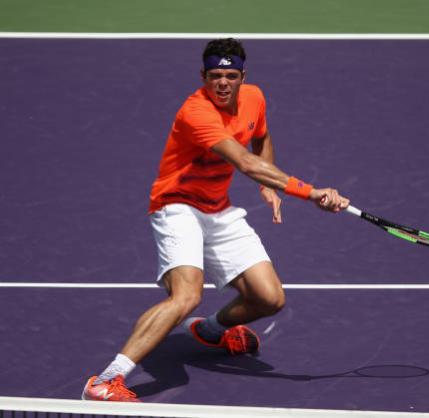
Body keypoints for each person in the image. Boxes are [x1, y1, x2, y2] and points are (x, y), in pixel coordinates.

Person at [82, 38, 349, 402]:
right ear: (203, 76)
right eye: (214, 76)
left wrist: (268, 185)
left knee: (269, 299)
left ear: (243, 76)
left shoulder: (254, 97)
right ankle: (105, 380)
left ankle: (208, 332)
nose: (222, 83)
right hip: (176, 206)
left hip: (217, 208)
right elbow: (245, 162)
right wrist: (311, 191)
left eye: (230, 75)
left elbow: (261, 138)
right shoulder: (197, 112)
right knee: (186, 295)